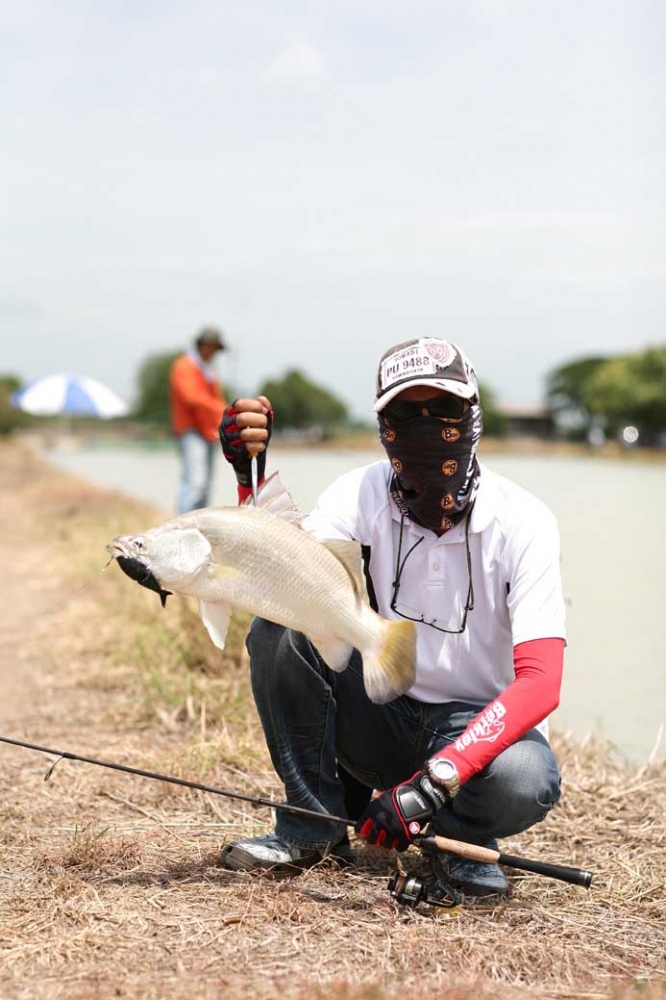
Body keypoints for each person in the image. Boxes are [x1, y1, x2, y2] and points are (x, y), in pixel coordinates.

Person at [217, 338, 566, 897]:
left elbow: (542, 682)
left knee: (525, 779)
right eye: (405, 413)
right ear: (383, 425)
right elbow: (282, 578)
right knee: (280, 628)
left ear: (473, 416)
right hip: (379, 710)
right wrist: (247, 478)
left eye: (443, 411)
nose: (425, 427)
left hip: (476, 732)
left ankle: (455, 844)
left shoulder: (525, 521)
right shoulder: (356, 493)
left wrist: (433, 785)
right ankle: (313, 827)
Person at [170, 327, 228, 513]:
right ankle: (181, 527)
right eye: (210, 347)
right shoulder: (184, 366)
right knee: (194, 483)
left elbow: (217, 399)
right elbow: (191, 396)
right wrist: (221, 409)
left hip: (209, 432)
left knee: (205, 487)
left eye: (215, 348)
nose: (212, 352)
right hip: (191, 431)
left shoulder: (209, 371)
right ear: (201, 346)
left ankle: (198, 527)